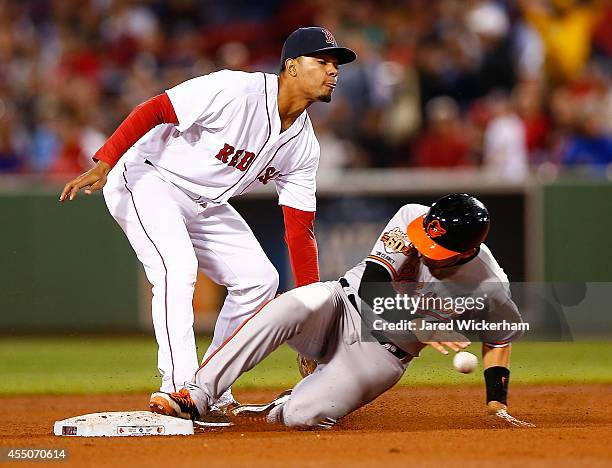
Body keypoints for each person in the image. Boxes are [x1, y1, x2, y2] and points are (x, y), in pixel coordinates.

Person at [59, 27, 356, 409]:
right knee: (177, 267)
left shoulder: (303, 146)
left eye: (336, 65)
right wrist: (105, 162)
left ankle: (209, 387)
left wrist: (312, 319)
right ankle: (177, 386)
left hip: (203, 202)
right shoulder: (236, 91)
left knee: (259, 280)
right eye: (323, 62)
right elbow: (156, 109)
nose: (333, 71)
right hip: (148, 177)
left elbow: (299, 233)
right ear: (292, 67)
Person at [150, 194, 534, 429]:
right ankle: (198, 396)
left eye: (437, 251)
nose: (423, 250)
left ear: (466, 252)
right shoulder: (413, 216)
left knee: (303, 417)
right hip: (340, 305)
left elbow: (500, 337)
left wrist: (496, 402)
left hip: (379, 355)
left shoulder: (488, 286)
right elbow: (373, 282)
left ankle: (283, 405)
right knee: (288, 306)